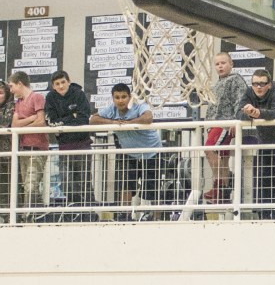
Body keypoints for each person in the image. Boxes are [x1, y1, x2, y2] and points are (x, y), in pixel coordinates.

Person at [90, 82, 163, 218]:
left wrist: (128, 124)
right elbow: (93, 120)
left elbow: (148, 117)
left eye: (124, 97)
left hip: (152, 152)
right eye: (117, 97)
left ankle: (156, 217)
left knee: (153, 188)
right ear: (113, 99)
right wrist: (112, 123)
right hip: (130, 154)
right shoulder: (111, 110)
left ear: (130, 97)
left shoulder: (139, 106)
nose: (120, 100)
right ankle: (124, 216)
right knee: (126, 186)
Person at [237, 69, 275, 219]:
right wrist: (249, 113)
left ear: (269, 84)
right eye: (255, 83)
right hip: (264, 141)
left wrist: (257, 113)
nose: (258, 87)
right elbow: (238, 112)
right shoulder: (249, 92)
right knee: (263, 177)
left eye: (262, 83)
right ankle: (264, 214)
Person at [203, 52, 247, 204]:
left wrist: (236, 120)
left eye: (223, 63)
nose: (220, 66)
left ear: (231, 64)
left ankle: (221, 184)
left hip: (225, 122)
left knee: (209, 149)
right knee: (222, 155)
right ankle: (223, 187)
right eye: (217, 64)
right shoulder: (217, 84)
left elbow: (240, 101)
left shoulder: (236, 80)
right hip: (213, 123)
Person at [44, 70, 93, 205]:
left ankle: (89, 211)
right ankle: (74, 209)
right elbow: (52, 121)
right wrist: (72, 116)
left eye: (63, 82)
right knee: (66, 181)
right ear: (53, 86)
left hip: (83, 144)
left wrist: (63, 121)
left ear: (69, 81)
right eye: (57, 84)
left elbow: (83, 118)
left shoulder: (79, 94)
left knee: (84, 181)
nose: (61, 86)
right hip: (64, 146)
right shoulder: (50, 98)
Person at [8, 71, 49, 211]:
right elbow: (14, 125)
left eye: (12, 86)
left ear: (20, 84)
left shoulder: (36, 97)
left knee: (31, 184)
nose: (11, 90)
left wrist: (23, 125)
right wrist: (31, 119)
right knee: (27, 185)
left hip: (37, 147)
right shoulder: (18, 102)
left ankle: (31, 214)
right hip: (23, 148)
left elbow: (41, 121)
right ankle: (36, 213)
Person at [0, 79, 14, 219]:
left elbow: (5, 124)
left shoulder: (11, 106)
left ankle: (8, 217)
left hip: (8, 155)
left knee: (8, 188)